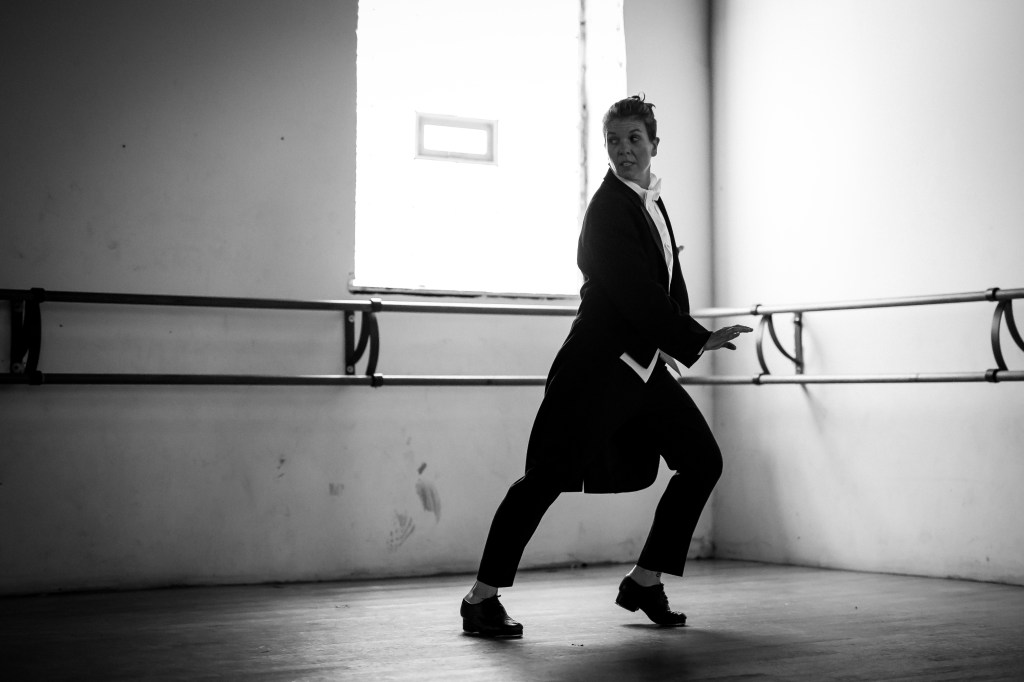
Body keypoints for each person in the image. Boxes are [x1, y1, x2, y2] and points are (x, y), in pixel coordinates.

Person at [460, 94, 752, 637]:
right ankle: (481, 598)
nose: (623, 150)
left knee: (702, 461)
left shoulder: (648, 200)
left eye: (633, 139)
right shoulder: (608, 208)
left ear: (654, 143)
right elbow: (635, 291)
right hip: (596, 369)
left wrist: (672, 341)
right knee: (545, 479)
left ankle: (645, 580)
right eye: (613, 141)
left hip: (642, 367)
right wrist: (694, 338)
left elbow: (667, 280)